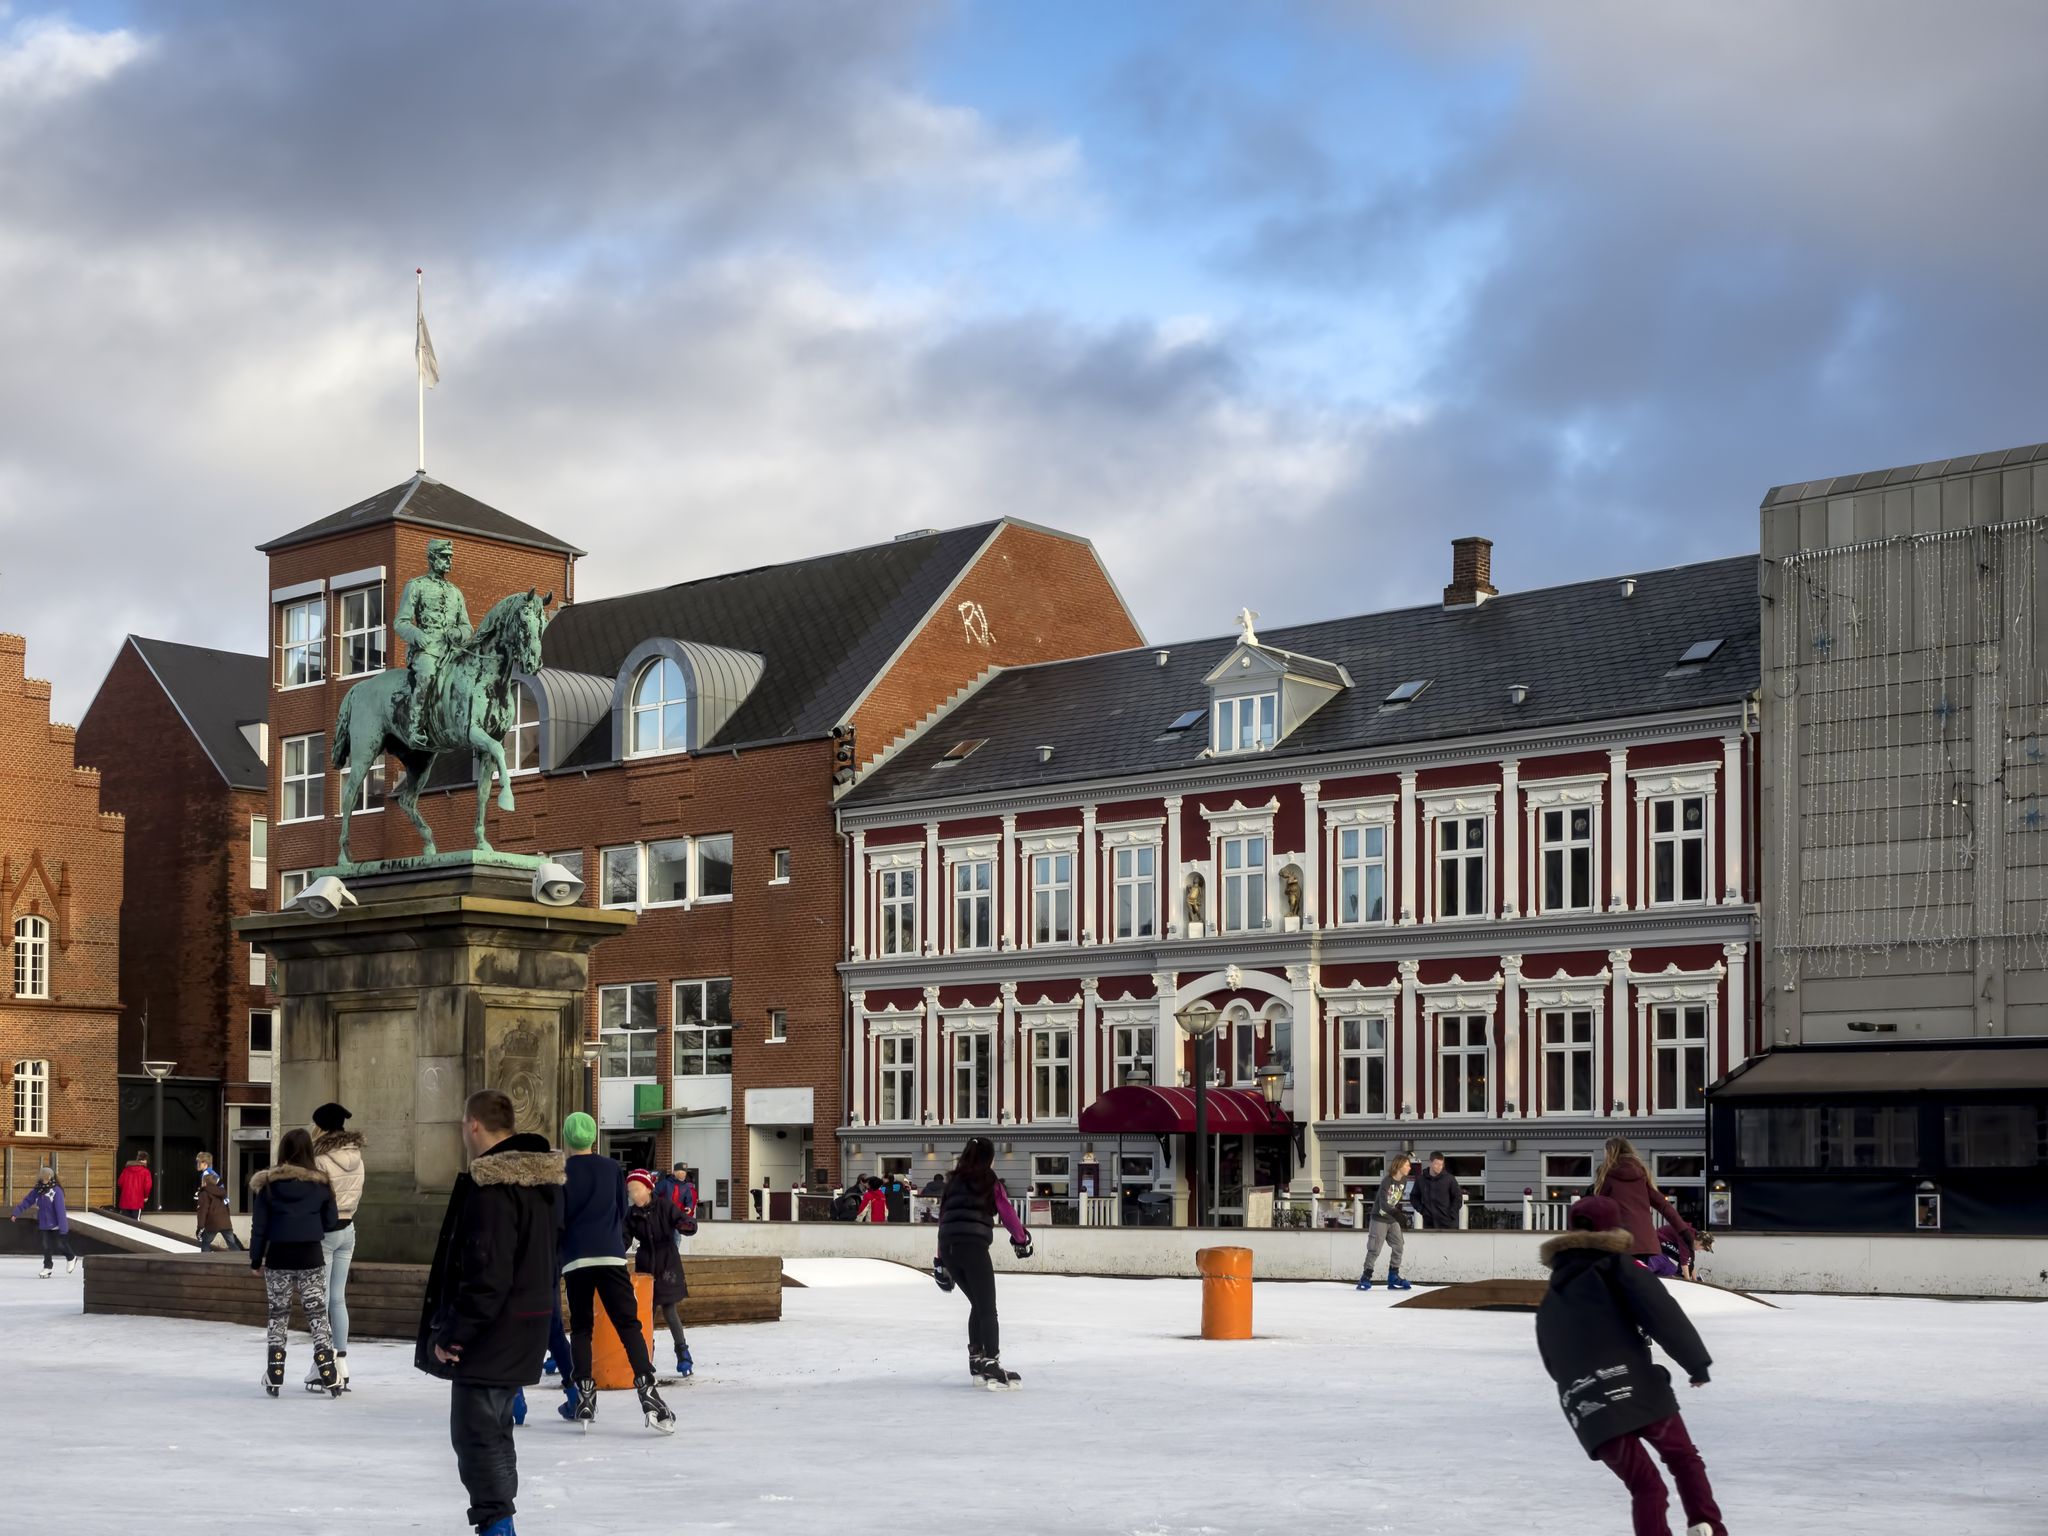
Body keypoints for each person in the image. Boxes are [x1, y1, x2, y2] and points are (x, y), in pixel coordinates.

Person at [416, 1089, 566, 1536]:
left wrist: (453, 1335)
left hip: (492, 1333)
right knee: (494, 1433)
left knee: (477, 1435)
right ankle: (499, 1521)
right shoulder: (541, 1186)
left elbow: (487, 1274)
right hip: (526, 1324)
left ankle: (499, 1527)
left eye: (463, 1124)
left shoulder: (493, 1189)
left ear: (474, 1124)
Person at [1536, 1194, 1726, 1536]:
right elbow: (1661, 1312)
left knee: (1647, 1487)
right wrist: (1695, 1363)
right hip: (1637, 1389)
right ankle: (1707, 1523)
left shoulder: (1553, 1295)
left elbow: (1553, 1361)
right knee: (1684, 1460)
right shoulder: (1618, 1266)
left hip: (1587, 1406)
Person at [557, 1112, 674, 1433]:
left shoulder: (561, 1172)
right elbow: (622, 1210)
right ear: (594, 1136)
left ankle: (583, 1391)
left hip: (577, 1259)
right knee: (628, 1324)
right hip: (610, 1255)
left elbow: (558, 1217)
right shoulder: (611, 1168)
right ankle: (648, 1390)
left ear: (567, 1138)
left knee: (581, 1327)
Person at [931, 1135, 1032, 1389]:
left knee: (978, 1303)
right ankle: (991, 1361)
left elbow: (944, 1219)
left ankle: (976, 1359)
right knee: (988, 1307)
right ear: (988, 1158)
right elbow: (1006, 1211)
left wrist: (940, 1260)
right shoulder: (989, 1180)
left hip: (950, 1248)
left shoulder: (952, 1182)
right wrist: (1021, 1239)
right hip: (973, 1246)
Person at [249, 1128, 342, 1399]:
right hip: (311, 1256)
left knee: (278, 1314)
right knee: (317, 1314)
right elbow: (331, 1221)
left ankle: (275, 1371)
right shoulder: (322, 1184)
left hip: (278, 1257)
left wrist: (256, 1259)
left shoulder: (268, 1186)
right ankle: (328, 1370)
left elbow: (260, 1228)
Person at [308, 1102, 365, 1393]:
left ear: (320, 1126)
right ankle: (341, 1361)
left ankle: (323, 1365)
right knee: (337, 1298)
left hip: (326, 1232)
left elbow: (315, 1197)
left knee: (321, 1300)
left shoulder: (319, 1159)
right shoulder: (357, 1155)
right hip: (348, 1229)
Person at [625, 1169, 693, 1378]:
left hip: (667, 1263)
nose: (634, 1195)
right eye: (630, 1191)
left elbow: (683, 1220)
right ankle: (645, 1355)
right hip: (645, 1263)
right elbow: (623, 1237)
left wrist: (685, 1225)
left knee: (669, 1309)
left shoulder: (664, 1206)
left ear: (648, 1188)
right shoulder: (631, 1214)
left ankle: (683, 1353)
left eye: (637, 1189)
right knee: (646, 1312)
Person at [1594, 1138, 1695, 1275]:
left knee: (1615, 1286)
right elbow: (1664, 1206)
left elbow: (1597, 1209)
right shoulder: (1641, 1175)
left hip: (1619, 1243)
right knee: (1635, 1284)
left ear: (1610, 1153)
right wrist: (1683, 1231)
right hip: (1644, 1244)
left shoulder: (1607, 1175)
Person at [1356, 1154, 1414, 1291]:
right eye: (1407, 1165)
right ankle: (1365, 1277)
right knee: (1375, 1248)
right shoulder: (1387, 1181)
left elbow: (1395, 1201)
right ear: (1399, 1166)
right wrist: (1397, 1214)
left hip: (1391, 1219)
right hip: (1380, 1218)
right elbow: (1383, 1204)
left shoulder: (1404, 1181)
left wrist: (1398, 1216)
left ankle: (1393, 1275)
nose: (1409, 1167)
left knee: (1399, 1245)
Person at [11, 1165, 77, 1276]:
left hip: (56, 1224)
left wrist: (63, 1228)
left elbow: (60, 1210)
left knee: (60, 1245)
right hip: (44, 1223)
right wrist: (16, 1213)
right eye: (42, 1177)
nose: (44, 1179)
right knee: (46, 1247)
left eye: (46, 1177)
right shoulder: (38, 1190)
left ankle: (71, 1257)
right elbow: (27, 1201)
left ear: (50, 1177)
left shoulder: (56, 1191)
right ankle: (47, 1267)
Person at [194, 1164, 243, 1252]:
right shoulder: (222, 1192)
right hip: (225, 1222)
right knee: (232, 1244)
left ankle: (205, 1262)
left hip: (212, 1223)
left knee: (205, 1244)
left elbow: (203, 1210)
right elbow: (227, 1206)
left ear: (205, 1182)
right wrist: (227, 1218)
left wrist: (200, 1226)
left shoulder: (204, 1193)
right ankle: (240, 1259)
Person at [1412, 1152, 1465, 1230]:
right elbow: (1414, 1196)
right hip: (1429, 1224)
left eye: (1441, 1165)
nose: (1439, 1167)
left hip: (1448, 1224)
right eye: (1436, 1164)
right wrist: (1422, 1210)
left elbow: (1458, 1198)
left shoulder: (1449, 1179)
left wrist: (1451, 1214)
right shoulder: (1421, 1180)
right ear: (1430, 1162)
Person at [116, 1150, 152, 1218]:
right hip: (137, 1202)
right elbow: (147, 1186)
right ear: (145, 1160)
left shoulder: (126, 1170)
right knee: (136, 1224)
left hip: (125, 1201)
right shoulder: (145, 1172)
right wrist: (146, 1196)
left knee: (124, 1222)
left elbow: (120, 1183)